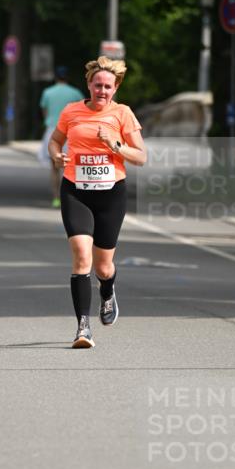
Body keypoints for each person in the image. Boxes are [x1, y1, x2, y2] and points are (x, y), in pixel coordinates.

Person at [48, 56, 147, 348]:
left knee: (103, 267)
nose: (101, 91)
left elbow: (141, 156)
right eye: (97, 85)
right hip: (76, 190)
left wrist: (114, 144)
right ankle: (83, 327)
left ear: (115, 88)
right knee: (81, 257)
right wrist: (56, 155)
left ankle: (107, 290)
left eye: (107, 86)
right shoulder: (71, 111)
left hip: (110, 193)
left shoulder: (123, 114)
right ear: (88, 84)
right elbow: (55, 140)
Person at [39, 66, 84, 207]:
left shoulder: (48, 92)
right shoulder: (75, 93)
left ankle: (56, 197)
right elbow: (83, 110)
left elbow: (44, 111)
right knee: (71, 166)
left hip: (53, 130)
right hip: (71, 131)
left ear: (56, 77)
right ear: (67, 78)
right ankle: (71, 197)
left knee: (55, 167)